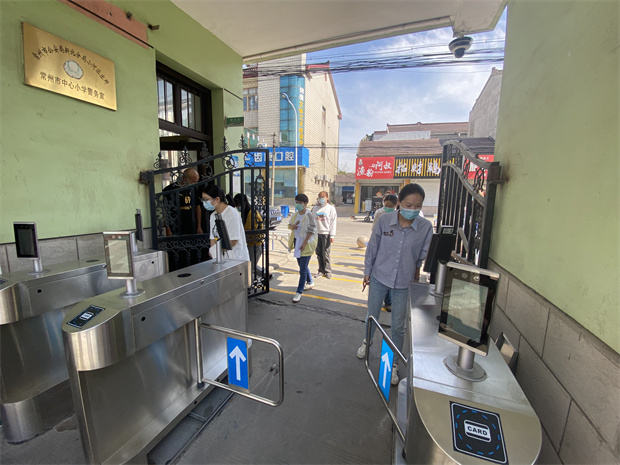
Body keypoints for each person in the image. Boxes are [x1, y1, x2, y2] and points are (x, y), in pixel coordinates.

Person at [356, 183, 433, 386]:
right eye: (409, 205)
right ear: (399, 202)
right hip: (379, 276)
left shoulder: (425, 227)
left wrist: (416, 278)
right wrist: (367, 272)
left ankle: (393, 364)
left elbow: (421, 257)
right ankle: (367, 341)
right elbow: (373, 247)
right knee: (372, 315)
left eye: (418, 206)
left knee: (398, 326)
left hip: (403, 282)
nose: (413, 210)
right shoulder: (384, 220)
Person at [201, 185, 250, 262]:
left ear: (217, 199)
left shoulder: (231, 214)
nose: (204, 203)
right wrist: (215, 254)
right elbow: (212, 238)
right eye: (203, 200)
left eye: (206, 199)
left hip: (236, 259)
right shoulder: (213, 216)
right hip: (221, 259)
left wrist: (215, 250)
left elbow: (233, 241)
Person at [233, 193, 273, 281]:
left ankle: (255, 282)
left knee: (250, 267)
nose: (238, 207)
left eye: (238, 205)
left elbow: (248, 230)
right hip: (251, 243)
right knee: (250, 266)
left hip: (255, 244)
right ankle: (266, 276)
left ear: (244, 203)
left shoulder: (251, 213)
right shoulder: (247, 212)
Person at [287, 194, 318, 303]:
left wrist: (304, 243)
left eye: (300, 203)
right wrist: (292, 227)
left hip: (307, 244)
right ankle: (310, 282)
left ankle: (299, 292)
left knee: (302, 269)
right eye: (296, 202)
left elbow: (311, 230)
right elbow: (289, 225)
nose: (298, 205)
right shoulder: (295, 215)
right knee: (302, 266)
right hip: (297, 242)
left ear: (305, 204)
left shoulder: (309, 215)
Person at [371, 194, 398, 312]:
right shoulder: (379, 213)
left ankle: (389, 302)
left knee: (390, 277)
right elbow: (374, 230)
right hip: (381, 247)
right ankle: (377, 300)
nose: (388, 208)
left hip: (393, 250)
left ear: (396, 205)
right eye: (386, 205)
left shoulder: (399, 216)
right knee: (379, 275)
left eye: (390, 206)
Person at [312, 191, 337, 279]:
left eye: (323, 198)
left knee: (326, 253)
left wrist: (332, 235)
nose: (321, 199)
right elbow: (312, 221)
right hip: (317, 233)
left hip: (326, 233)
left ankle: (327, 271)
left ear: (327, 198)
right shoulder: (315, 208)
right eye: (320, 198)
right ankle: (321, 270)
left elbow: (333, 222)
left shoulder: (331, 208)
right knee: (319, 253)